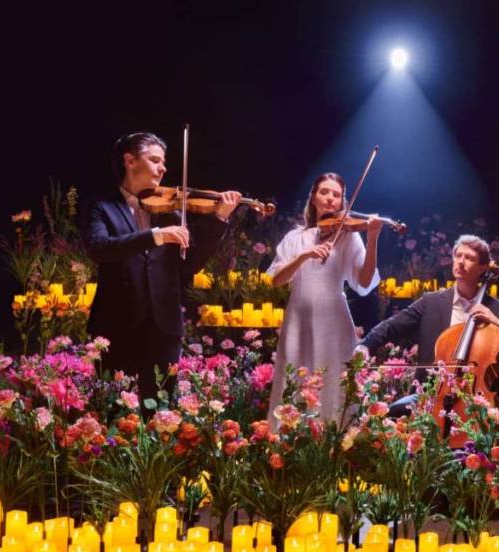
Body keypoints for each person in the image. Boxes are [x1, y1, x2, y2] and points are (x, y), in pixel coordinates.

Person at [81, 131, 241, 398]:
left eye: (163, 162)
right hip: (116, 324)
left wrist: (219, 219)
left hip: (164, 327)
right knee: (114, 411)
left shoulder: (170, 212)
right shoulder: (100, 206)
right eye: (155, 160)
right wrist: (154, 236)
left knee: (160, 411)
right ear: (129, 160)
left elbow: (189, 265)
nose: (163, 168)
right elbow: (100, 249)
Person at [356, 234, 499, 410]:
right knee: (393, 412)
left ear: (483, 267)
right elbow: (391, 326)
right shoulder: (430, 302)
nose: (461, 261)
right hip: (430, 395)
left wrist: (497, 324)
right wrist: (365, 345)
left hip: (477, 402)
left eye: (469, 258)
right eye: (458, 255)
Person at [266, 172, 382, 425]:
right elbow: (276, 279)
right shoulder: (295, 238)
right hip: (298, 320)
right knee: (293, 378)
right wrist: (303, 255)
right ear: (314, 198)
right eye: (324, 192)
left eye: (336, 195)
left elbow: (363, 282)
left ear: (342, 202)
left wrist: (372, 239)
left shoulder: (348, 235)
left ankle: (332, 445)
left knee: (333, 382)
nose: (330, 198)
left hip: (333, 323)